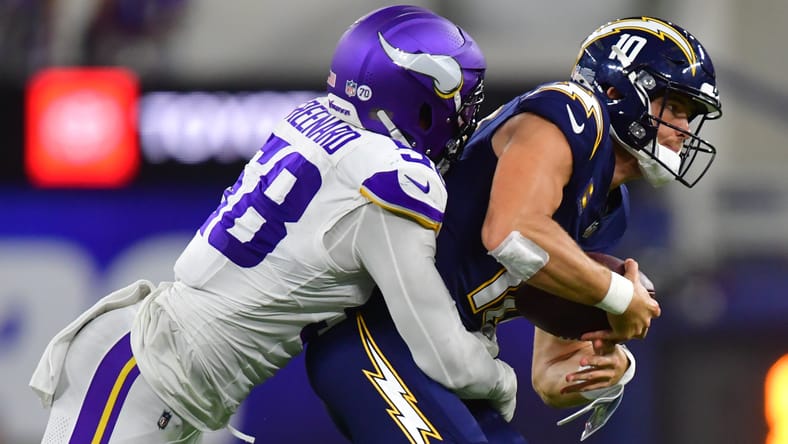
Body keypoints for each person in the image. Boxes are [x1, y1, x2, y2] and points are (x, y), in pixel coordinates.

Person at [28, 5, 520, 443]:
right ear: (418, 97)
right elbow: (444, 356)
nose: (463, 119)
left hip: (160, 378)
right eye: (459, 100)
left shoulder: (313, 119)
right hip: (145, 376)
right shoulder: (390, 179)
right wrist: (502, 380)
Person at [305, 16, 722, 443]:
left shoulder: (609, 209)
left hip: (449, 351)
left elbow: (548, 375)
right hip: (377, 329)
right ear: (617, 91)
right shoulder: (572, 112)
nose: (685, 131)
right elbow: (511, 233)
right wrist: (618, 297)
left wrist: (606, 365)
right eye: (676, 108)